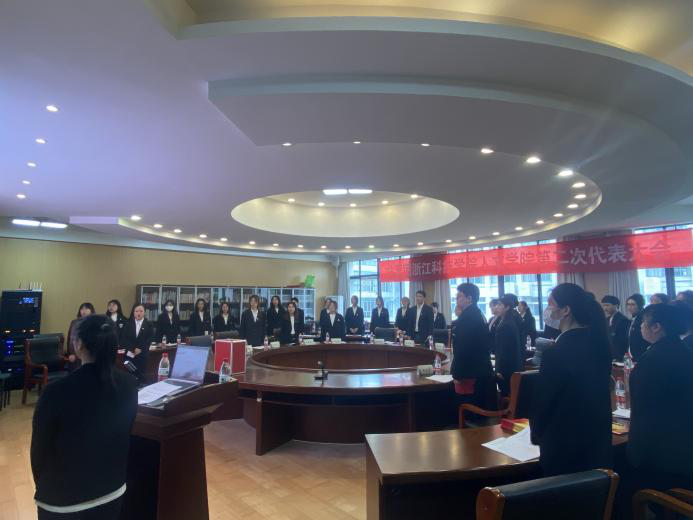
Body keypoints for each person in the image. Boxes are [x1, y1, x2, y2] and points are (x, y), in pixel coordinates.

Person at [31, 314, 137, 519]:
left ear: (78, 344)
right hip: (112, 492)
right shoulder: (129, 384)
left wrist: (46, 486)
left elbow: (39, 452)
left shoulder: (55, 392)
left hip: (63, 502)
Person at [616, 303, 693, 518]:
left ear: (656, 327)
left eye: (643, 323)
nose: (640, 328)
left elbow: (644, 411)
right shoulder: (683, 350)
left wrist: (634, 454)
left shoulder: (654, 360)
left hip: (664, 457)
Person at [530, 283, 612, 476]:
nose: (547, 310)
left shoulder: (556, 352)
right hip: (597, 444)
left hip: (564, 448)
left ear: (566, 310)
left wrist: (536, 434)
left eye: (550, 304)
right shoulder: (599, 344)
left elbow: (544, 402)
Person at [451, 283, 494, 411]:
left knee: (469, 410)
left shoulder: (468, 317)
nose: (456, 299)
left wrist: (456, 374)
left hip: (470, 372)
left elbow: (464, 348)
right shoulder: (476, 313)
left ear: (469, 298)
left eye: (459, 296)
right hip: (479, 370)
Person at [493, 295, 523, 396]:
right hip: (510, 367)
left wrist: (499, 370)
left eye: (500, 304)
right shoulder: (506, 321)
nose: (497, 307)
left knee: (505, 394)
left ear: (507, 307)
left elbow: (504, 350)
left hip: (507, 370)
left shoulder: (506, 325)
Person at [120, 303, 154, 377]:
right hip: (130, 354)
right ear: (133, 312)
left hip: (142, 354)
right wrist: (133, 349)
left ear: (144, 312)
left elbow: (150, 338)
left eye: (141, 311)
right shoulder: (128, 323)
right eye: (136, 311)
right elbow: (124, 338)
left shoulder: (149, 324)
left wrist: (140, 348)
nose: (139, 313)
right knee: (129, 375)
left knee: (141, 375)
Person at [66, 303, 95, 372]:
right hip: (73, 356)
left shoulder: (94, 322)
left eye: (86, 309)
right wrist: (70, 354)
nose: (83, 311)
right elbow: (69, 339)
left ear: (91, 310)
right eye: (82, 309)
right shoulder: (74, 322)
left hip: (87, 357)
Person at [600, 295, 630, 360]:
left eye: (607, 305)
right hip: (609, 354)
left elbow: (622, 341)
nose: (605, 308)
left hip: (620, 355)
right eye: (603, 305)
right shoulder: (606, 319)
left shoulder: (623, 320)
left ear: (616, 305)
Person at [626, 293, 649, 361]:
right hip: (632, 356)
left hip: (642, 355)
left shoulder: (644, 318)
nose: (629, 307)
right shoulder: (632, 319)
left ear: (640, 305)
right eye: (628, 304)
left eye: (633, 304)